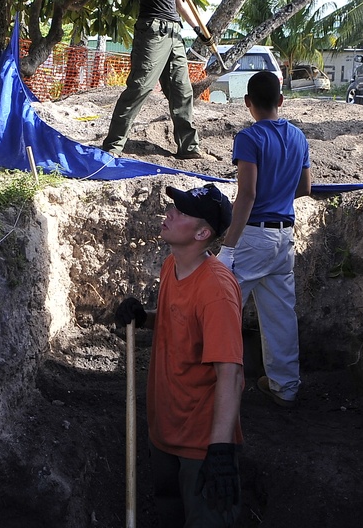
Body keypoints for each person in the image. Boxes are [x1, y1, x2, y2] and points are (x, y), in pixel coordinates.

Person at [116, 183, 244, 527]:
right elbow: (182, 325)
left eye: (182, 211)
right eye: (174, 207)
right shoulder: (172, 266)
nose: (170, 213)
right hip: (165, 429)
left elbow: (230, 373)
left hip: (201, 445)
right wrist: (145, 319)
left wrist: (220, 451)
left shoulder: (216, 289)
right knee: (169, 511)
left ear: (203, 232)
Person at [216, 71, 311, 409]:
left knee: (221, 309)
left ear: (247, 103)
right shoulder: (299, 137)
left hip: (254, 236)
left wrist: (228, 248)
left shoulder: (249, 138)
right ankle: (285, 388)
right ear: (281, 101)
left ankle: (207, 385)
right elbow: (305, 188)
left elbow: (248, 194)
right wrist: (280, 197)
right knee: (281, 315)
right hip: (284, 237)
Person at [101, 0, 210, 160]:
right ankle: (112, 148)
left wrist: (199, 30)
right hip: (153, 32)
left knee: (182, 92)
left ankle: (189, 149)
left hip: (174, 33)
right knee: (140, 88)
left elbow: (178, 1)